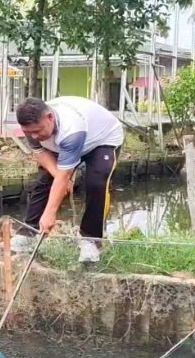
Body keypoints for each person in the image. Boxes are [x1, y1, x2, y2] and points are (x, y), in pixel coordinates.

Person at [16, 96, 124, 263]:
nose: (34, 136)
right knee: (43, 180)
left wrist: (50, 214)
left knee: (97, 183)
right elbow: (41, 154)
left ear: (50, 117)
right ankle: (30, 231)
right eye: (29, 132)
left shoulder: (71, 129)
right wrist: (58, 176)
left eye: (37, 131)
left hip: (102, 139)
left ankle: (92, 240)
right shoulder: (32, 127)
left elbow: (64, 175)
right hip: (62, 144)